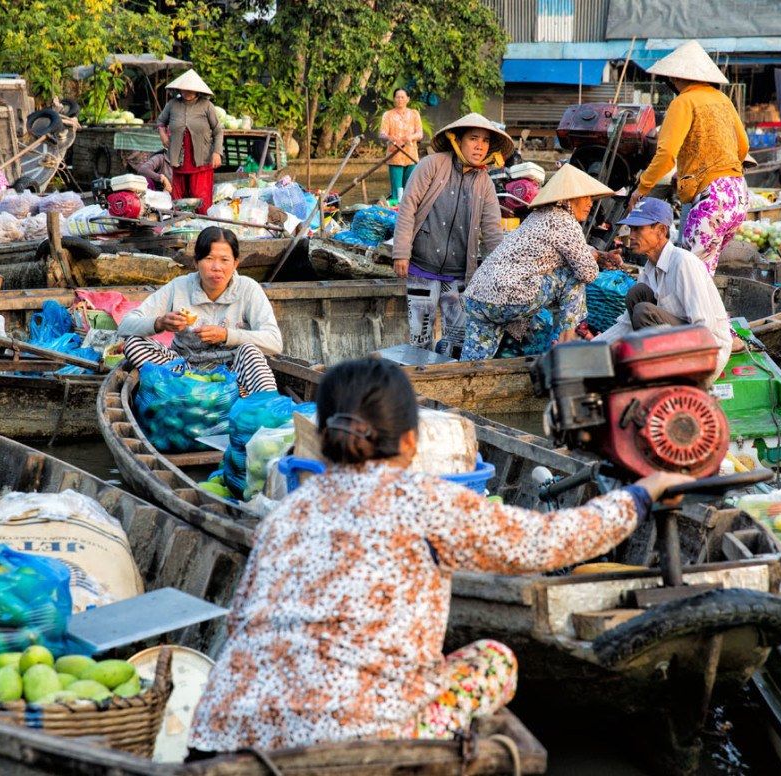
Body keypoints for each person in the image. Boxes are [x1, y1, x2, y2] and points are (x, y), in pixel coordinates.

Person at [187, 357, 691, 754]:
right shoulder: (424, 499)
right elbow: (545, 542)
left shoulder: (284, 515)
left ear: (326, 439)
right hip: (354, 733)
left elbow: (238, 624)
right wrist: (640, 496)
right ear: (409, 442)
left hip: (228, 728)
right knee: (494, 662)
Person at [460, 163, 622, 361]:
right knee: (573, 278)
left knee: (473, 362)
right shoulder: (564, 221)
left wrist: (598, 254)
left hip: (478, 298)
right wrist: (595, 259)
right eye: (585, 197)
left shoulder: (538, 216)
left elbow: (569, 250)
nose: (590, 203)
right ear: (568, 199)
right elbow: (587, 273)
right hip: (509, 297)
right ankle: (567, 343)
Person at [630, 41, 749, 275]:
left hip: (712, 199)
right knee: (704, 273)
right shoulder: (722, 100)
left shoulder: (683, 101)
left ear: (675, 77)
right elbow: (743, 146)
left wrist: (641, 188)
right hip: (738, 193)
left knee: (688, 274)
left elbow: (666, 155)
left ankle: (686, 313)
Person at [393, 113, 508, 356]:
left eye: (485, 141)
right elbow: (408, 206)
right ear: (457, 140)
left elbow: (492, 231)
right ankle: (417, 388)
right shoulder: (432, 165)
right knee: (419, 339)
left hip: (459, 274)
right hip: (421, 267)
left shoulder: (484, 182)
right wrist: (401, 252)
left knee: (456, 342)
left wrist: (500, 272)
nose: (480, 146)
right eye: (473, 139)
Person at [116, 226, 280, 396]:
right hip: (185, 372)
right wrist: (160, 323)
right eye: (209, 259)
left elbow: (274, 342)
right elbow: (125, 325)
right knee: (134, 343)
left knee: (250, 352)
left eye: (224, 260)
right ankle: (194, 393)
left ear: (235, 263)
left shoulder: (248, 289)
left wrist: (226, 335)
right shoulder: (179, 286)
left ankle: (266, 408)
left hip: (233, 373)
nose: (217, 267)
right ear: (196, 262)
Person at [592, 198, 732, 378]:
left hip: (705, 352)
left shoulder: (683, 263)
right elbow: (626, 324)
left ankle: (664, 375)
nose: (631, 235)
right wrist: (591, 350)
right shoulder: (649, 268)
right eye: (631, 229)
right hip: (679, 341)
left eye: (638, 229)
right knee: (637, 294)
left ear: (661, 231)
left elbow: (703, 327)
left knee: (644, 312)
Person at [156, 70, 223, 215]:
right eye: (183, 88)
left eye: (190, 89)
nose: (186, 91)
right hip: (178, 160)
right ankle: (179, 224)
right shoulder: (173, 104)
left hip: (201, 160)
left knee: (200, 196)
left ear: (197, 90)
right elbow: (160, 122)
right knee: (178, 198)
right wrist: (163, 135)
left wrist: (217, 152)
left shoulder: (206, 105)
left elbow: (218, 131)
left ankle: (204, 225)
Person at [378, 88, 423, 202]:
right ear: (394, 99)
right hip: (395, 155)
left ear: (407, 99)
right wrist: (390, 137)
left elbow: (420, 134)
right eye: (397, 97)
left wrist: (411, 137)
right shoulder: (388, 115)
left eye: (402, 97)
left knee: (410, 187)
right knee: (397, 189)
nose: (400, 100)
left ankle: (408, 208)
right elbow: (382, 134)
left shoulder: (414, 114)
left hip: (411, 156)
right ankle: (396, 207)